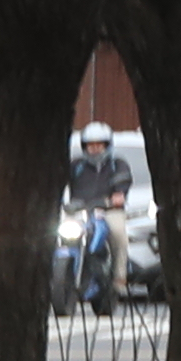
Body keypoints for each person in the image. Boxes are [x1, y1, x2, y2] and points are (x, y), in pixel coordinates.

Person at [61, 126, 134, 312]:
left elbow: (122, 187)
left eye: (99, 145)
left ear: (107, 145)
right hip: (79, 211)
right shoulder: (76, 165)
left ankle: (119, 278)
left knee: (118, 233)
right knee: (55, 231)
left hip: (107, 210)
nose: (94, 149)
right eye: (90, 145)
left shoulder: (118, 164)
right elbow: (61, 182)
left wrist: (116, 198)